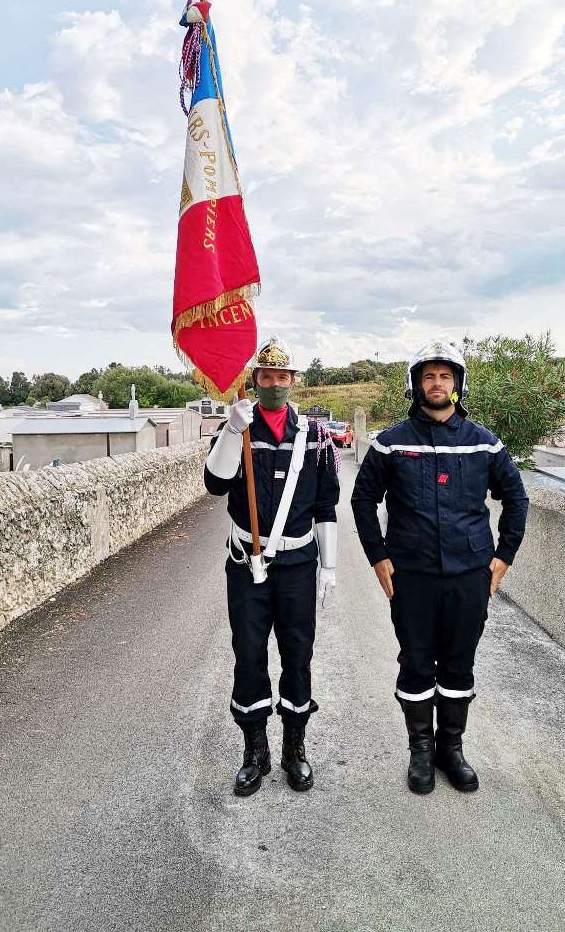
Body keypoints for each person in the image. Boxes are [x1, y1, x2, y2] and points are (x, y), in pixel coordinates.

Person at [351, 340, 528, 795]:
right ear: (416, 384)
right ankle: (422, 753)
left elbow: (516, 499)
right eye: (428, 376)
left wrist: (502, 557)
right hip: (412, 576)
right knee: (416, 663)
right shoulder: (391, 443)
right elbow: (362, 499)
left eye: (445, 376)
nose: (436, 384)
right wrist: (378, 556)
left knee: (458, 663)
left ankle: (452, 750)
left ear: (457, 384)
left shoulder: (484, 444)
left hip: (470, 576)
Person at [204, 336, 339, 796]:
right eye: (267, 377)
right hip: (247, 564)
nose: (275, 384)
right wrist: (228, 431)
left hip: (299, 563)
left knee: (298, 654)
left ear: (293, 381)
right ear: (255, 381)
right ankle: (255, 749)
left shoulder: (316, 436)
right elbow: (215, 485)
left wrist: (330, 567)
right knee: (249, 653)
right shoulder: (239, 428)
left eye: (283, 377)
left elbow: (326, 504)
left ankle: (294, 748)